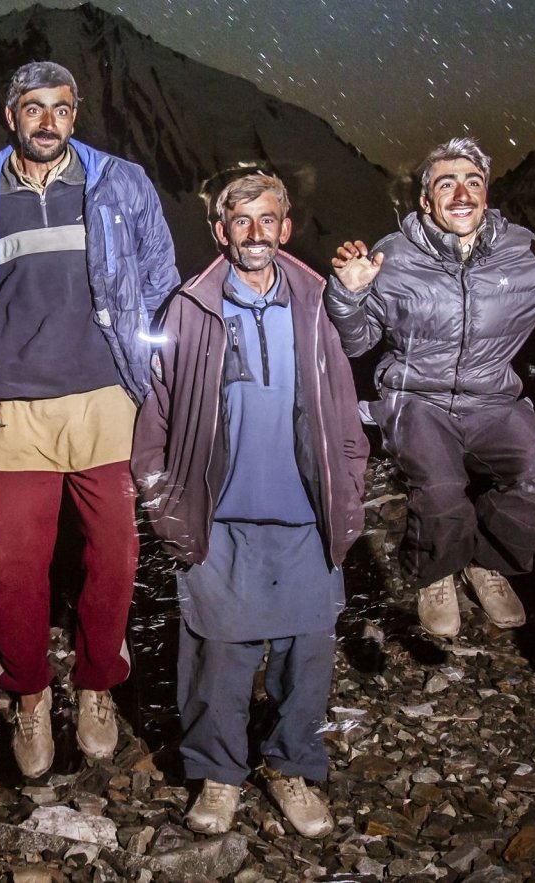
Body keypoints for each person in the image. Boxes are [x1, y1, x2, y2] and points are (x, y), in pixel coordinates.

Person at [0, 60, 179, 777]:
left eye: (61, 108)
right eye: (34, 108)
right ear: (11, 116)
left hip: (106, 395)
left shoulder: (120, 182)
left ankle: (98, 680)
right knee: (13, 565)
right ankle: (30, 695)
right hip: (10, 408)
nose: (48, 120)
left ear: (75, 116)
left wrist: (162, 383)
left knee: (116, 553)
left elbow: (160, 283)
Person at [132, 171, 367, 838]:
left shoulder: (317, 302)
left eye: (268, 219)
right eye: (242, 220)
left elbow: (344, 411)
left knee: (307, 656)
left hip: (305, 516)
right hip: (219, 519)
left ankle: (292, 764)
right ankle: (219, 774)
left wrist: (347, 488)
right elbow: (158, 416)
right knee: (217, 658)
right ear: (221, 232)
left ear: (286, 228)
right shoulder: (191, 308)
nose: (256, 232)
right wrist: (165, 507)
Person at [327, 135, 535, 638]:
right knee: (440, 488)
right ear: (425, 200)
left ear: (486, 192)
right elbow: (358, 341)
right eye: (446, 183)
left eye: (472, 182)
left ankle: (486, 560)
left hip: (493, 396)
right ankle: (434, 573)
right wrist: (349, 296)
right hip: (416, 398)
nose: (461, 193)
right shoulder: (391, 257)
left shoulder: (525, 252)